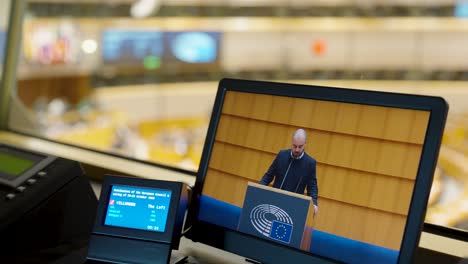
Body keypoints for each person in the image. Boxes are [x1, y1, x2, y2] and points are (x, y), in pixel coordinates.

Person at [259, 128, 318, 216]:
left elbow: (312, 187)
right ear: (291, 142)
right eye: (294, 146)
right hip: (273, 203)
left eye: (300, 146)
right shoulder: (282, 155)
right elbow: (268, 176)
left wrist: (314, 204)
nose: (297, 150)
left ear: (305, 144)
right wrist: (258, 189)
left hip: (293, 208)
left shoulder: (310, 163)